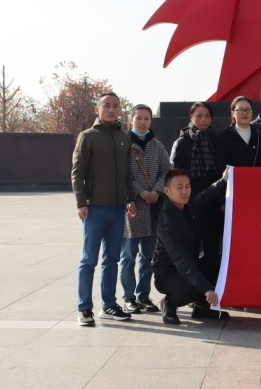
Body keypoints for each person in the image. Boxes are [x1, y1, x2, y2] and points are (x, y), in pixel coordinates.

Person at [70, 92, 137, 326]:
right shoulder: (88, 137)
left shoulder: (124, 137)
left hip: (118, 209)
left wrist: (130, 199)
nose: (111, 109)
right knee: (89, 259)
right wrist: (81, 202)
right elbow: (77, 171)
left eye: (115, 106)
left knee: (112, 259)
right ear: (97, 110)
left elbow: (128, 172)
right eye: (106, 105)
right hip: (95, 208)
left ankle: (108, 304)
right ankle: (84, 308)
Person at [152, 167, 231, 325]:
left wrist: (223, 180)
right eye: (179, 187)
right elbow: (182, 261)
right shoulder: (167, 221)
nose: (184, 191)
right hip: (167, 273)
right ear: (167, 191)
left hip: (188, 264)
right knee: (194, 287)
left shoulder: (186, 206)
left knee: (219, 265)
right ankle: (169, 303)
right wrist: (206, 289)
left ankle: (202, 307)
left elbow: (204, 197)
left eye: (187, 186)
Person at [120, 104, 170, 314]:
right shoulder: (123, 143)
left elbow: (166, 170)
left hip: (153, 207)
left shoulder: (157, 146)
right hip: (132, 206)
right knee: (128, 256)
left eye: (146, 118)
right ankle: (128, 297)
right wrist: (140, 192)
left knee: (148, 256)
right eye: (138, 118)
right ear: (131, 120)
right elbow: (122, 174)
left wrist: (157, 190)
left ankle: (143, 295)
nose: (142, 122)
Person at [170, 101, 226, 191]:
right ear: (191, 117)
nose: (203, 119)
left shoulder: (217, 141)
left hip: (215, 193)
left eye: (207, 116)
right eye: (199, 116)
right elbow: (174, 172)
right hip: (188, 195)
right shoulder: (181, 143)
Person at [217, 95, 261, 167]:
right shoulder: (224, 137)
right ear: (233, 113)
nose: (244, 113)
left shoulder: (259, 136)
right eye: (240, 110)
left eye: (248, 109)